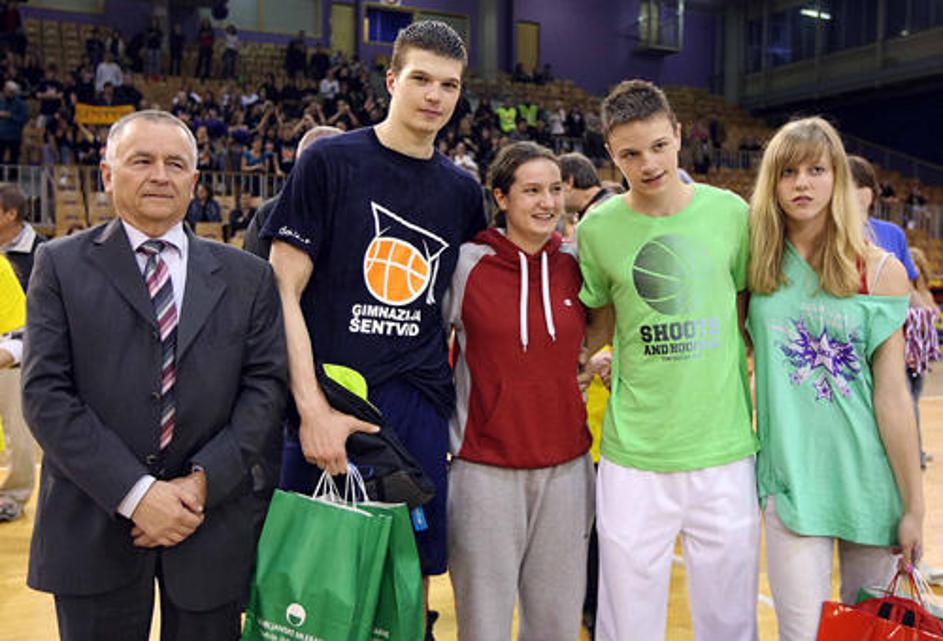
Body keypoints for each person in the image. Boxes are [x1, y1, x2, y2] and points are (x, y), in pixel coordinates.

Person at [21, 110, 287, 641]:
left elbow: (265, 390)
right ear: (107, 174)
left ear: (195, 180)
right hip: (94, 521)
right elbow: (46, 395)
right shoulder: (59, 265)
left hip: (208, 520)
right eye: (142, 161)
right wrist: (137, 493)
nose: (160, 175)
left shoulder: (249, 276)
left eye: (175, 164)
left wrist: (202, 484)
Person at [262, 21, 486, 638]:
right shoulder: (330, 162)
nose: (434, 96)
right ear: (391, 80)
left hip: (416, 406)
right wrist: (310, 409)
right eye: (420, 79)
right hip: (331, 401)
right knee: (311, 581)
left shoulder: (462, 192)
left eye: (449, 85)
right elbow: (282, 290)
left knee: (411, 574)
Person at [576, 80, 759, 641]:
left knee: (730, 622)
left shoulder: (731, 214)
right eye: (630, 154)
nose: (649, 164)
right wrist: (584, 364)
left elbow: (743, 312)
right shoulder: (597, 229)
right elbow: (600, 323)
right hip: (634, 456)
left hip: (723, 449)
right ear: (611, 155)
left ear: (678, 134)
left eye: (658, 146)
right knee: (626, 622)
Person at [746, 117, 924, 641]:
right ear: (772, 183)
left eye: (816, 170)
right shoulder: (756, 266)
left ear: (838, 178)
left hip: (871, 483)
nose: (801, 183)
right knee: (801, 633)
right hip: (791, 481)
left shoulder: (881, 271)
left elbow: (893, 397)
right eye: (788, 172)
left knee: (867, 635)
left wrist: (914, 507)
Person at [445, 141, 594, 640]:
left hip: (568, 471)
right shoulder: (467, 265)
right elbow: (425, 348)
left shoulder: (576, 262)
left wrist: (598, 356)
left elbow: (604, 326)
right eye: (531, 191)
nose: (547, 203)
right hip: (484, 470)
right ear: (501, 197)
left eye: (554, 190)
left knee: (556, 625)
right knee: (483, 626)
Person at [0, 183, 44, 522]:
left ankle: (13, 496)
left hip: (21, 350)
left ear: (10, 214)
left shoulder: (42, 252)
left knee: (18, 428)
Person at [0, 80, 27, 164]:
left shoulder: (21, 104)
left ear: (12, 92)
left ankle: (13, 173)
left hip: (14, 136)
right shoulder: (1, 102)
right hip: (1, 135)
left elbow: (24, 118)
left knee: (14, 160)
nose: (4, 92)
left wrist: (10, 116)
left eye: (6, 90)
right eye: (4, 90)